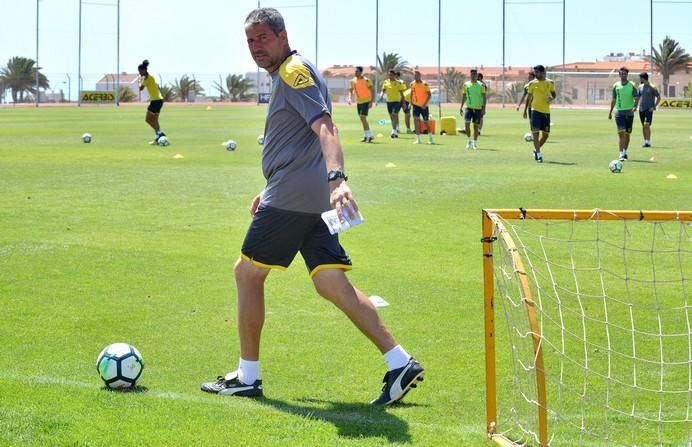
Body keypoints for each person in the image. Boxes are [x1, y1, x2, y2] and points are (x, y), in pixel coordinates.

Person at [200, 7, 424, 406]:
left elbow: (326, 127)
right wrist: (270, 186)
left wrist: (338, 179)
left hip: (299, 196)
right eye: (250, 41)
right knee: (330, 282)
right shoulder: (291, 72)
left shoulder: (293, 72)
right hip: (303, 194)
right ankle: (400, 362)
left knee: (247, 274)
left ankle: (247, 376)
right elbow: (299, 142)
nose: (255, 48)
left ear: (282, 36)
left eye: (263, 38)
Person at [523, 65, 556, 163]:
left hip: (546, 112)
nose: (535, 74)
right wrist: (525, 110)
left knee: (546, 135)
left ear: (542, 72)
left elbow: (554, 94)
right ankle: (538, 154)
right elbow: (528, 98)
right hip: (535, 111)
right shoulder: (532, 84)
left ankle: (536, 149)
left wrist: (551, 98)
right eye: (535, 72)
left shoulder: (550, 83)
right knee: (535, 133)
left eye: (537, 72)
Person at [608, 67, 640, 161]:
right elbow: (613, 99)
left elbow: (636, 97)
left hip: (629, 113)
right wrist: (610, 111)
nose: (623, 75)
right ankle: (621, 154)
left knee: (627, 134)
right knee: (621, 133)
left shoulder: (632, 85)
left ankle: (625, 151)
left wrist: (635, 106)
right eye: (621, 73)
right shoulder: (616, 86)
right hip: (619, 112)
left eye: (625, 73)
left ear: (627, 74)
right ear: (619, 75)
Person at [137, 60, 166, 145]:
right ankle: (158, 137)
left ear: (144, 70)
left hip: (155, 101)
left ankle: (160, 133)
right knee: (155, 120)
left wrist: (139, 81)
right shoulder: (151, 77)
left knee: (148, 119)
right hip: (159, 100)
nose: (139, 73)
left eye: (140, 71)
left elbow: (141, 88)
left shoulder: (147, 78)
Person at [460, 69, 486, 149]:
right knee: (466, 124)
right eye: (472, 74)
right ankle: (469, 141)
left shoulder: (481, 85)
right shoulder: (466, 85)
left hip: (478, 109)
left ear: (477, 75)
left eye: (475, 74)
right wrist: (461, 106)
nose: (473, 76)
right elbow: (464, 96)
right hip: (468, 108)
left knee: (475, 127)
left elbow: (484, 97)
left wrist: (484, 108)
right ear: (470, 75)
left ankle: (474, 143)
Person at [348, 66, 375, 143]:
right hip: (359, 102)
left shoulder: (366, 80)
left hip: (366, 101)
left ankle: (368, 136)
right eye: (355, 71)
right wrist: (349, 98)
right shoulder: (353, 81)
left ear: (360, 72)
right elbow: (350, 90)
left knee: (363, 117)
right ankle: (368, 135)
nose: (355, 73)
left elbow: (372, 91)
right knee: (362, 119)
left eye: (357, 71)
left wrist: (371, 102)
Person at [379, 70, 406, 138]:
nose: (390, 76)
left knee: (394, 114)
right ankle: (395, 128)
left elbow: (402, 94)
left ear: (394, 75)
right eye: (389, 75)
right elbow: (383, 90)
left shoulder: (398, 83)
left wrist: (404, 102)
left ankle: (394, 131)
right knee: (391, 117)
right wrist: (381, 95)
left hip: (396, 101)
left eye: (391, 75)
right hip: (389, 101)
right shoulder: (386, 82)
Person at [637, 72, 660, 148]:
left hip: (649, 109)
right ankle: (646, 141)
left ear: (643, 78)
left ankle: (648, 141)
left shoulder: (652, 87)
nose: (640, 79)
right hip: (641, 109)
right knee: (643, 125)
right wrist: (635, 106)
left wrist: (654, 106)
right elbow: (638, 97)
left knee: (647, 124)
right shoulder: (640, 87)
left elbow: (659, 97)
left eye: (640, 78)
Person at [410, 70, 434, 145]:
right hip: (415, 105)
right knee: (416, 121)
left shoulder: (425, 84)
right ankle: (418, 139)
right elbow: (411, 93)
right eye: (414, 75)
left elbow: (429, 95)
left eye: (416, 75)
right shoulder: (412, 84)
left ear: (419, 76)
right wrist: (411, 102)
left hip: (424, 107)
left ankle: (431, 138)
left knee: (426, 122)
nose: (415, 77)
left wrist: (424, 104)